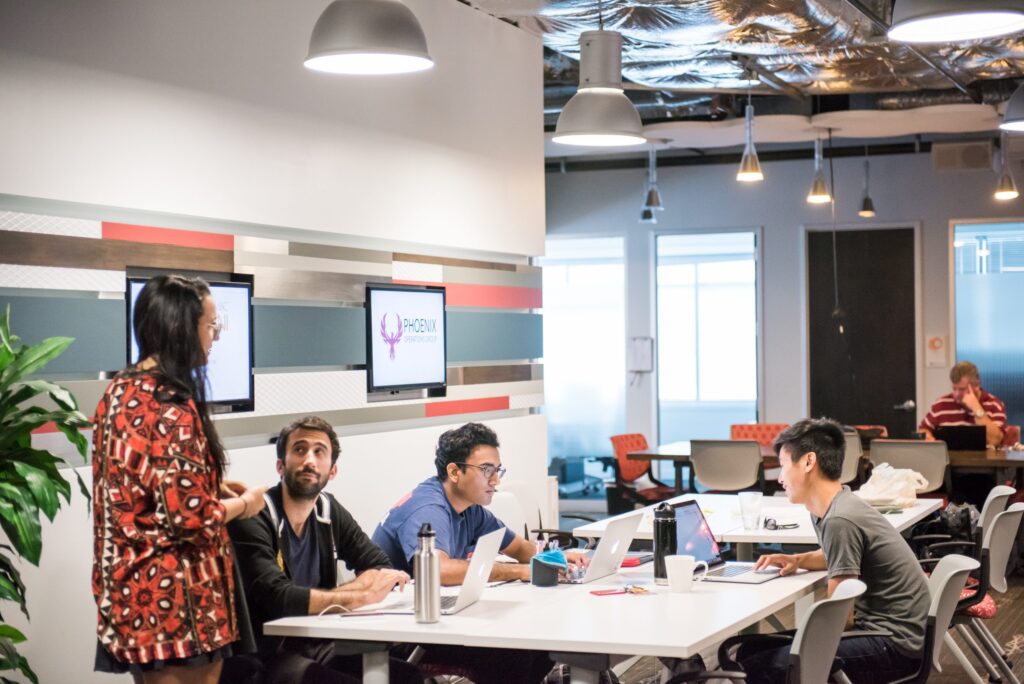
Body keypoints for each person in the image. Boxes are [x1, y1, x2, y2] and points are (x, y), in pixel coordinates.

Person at [92, 274, 268, 684]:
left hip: (128, 596)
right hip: (180, 602)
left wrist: (208, 484)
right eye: (210, 325)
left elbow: (139, 486)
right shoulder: (173, 405)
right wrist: (245, 505)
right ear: (181, 328)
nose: (215, 337)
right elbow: (190, 521)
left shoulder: (118, 392)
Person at [371, 422, 587, 683]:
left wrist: (555, 558)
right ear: (454, 471)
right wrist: (521, 572)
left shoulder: (470, 508)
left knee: (539, 641)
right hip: (401, 631)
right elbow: (438, 570)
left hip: (442, 617)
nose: (496, 480)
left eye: (498, 470)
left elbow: (518, 548)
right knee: (514, 654)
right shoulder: (428, 508)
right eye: (487, 470)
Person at [227, 416, 421, 684]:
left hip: (319, 644)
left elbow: (379, 564)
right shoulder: (255, 516)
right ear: (280, 465)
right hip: (266, 657)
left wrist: (348, 594)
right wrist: (361, 596)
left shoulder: (328, 510)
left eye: (319, 452)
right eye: (299, 450)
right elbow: (277, 598)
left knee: (408, 677)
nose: (309, 460)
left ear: (332, 471)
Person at [745, 418, 929, 684]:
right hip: (902, 635)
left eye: (784, 466)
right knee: (753, 649)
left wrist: (803, 637)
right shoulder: (839, 504)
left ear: (809, 462)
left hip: (895, 646)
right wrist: (798, 560)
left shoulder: (839, 520)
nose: (780, 477)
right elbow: (845, 557)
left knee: (763, 667)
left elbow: (839, 620)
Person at [919, 360, 1006, 447]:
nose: (956, 394)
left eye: (961, 389)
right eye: (954, 389)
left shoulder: (995, 405)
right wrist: (927, 436)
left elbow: (995, 440)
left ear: (977, 385)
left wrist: (976, 408)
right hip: (949, 459)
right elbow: (923, 429)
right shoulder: (941, 404)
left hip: (983, 460)